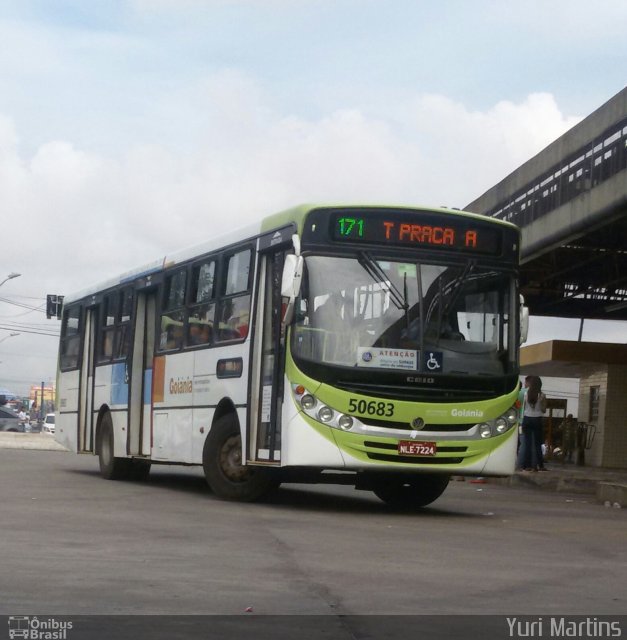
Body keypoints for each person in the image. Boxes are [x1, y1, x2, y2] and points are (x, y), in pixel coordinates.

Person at [520, 375, 547, 471]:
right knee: (537, 443)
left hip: (527, 419)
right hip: (537, 419)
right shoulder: (542, 395)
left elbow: (523, 407)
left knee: (527, 444)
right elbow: (543, 410)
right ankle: (540, 465)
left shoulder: (525, 394)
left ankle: (527, 465)